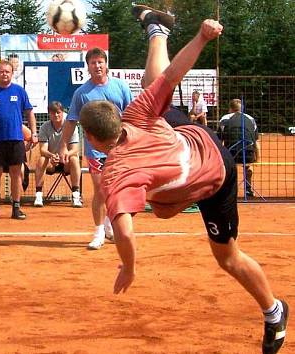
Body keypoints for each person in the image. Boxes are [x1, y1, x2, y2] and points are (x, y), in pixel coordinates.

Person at [79, 7, 287, 353]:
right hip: (194, 137)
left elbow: (126, 233)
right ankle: (156, 28)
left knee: (228, 258)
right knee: (153, 87)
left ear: (92, 138)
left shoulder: (116, 174)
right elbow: (174, 74)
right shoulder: (136, 113)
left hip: (216, 177)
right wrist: (203, 36)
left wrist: (129, 269)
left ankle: (275, 310)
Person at [60, 46, 133, 250]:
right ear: (88, 67)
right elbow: (71, 121)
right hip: (96, 150)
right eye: (93, 63)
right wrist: (63, 145)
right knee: (100, 190)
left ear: (106, 64)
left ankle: (110, 226)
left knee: (118, 190)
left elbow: (131, 115)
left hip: (120, 148)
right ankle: (99, 231)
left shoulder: (121, 87)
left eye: (100, 62)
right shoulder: (81, 93)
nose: (97, 65)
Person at [0, 59, 38, 220]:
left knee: (16, 174)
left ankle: (16, 207)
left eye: (7, 71)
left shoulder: (19, 91)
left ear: (12, 73)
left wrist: (34, 132)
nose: (4, 74)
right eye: (1, 71)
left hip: (16, 139)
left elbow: (29, 112)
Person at [33, 101, 82, 208]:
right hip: (51, 162)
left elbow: (75, 149)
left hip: (67, 162)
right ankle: (38, 195)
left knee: (74, 159)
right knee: (41, 159)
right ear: (49, 114)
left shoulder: (71, 127)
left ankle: (76, 195)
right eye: (52, 113)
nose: (56, 115)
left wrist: (64, 156)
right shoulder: (44, 127)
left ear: (62, 112)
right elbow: (43, 150)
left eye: (58, 112)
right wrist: (52, 156)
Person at [218, 98, 259, 197]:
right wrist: (257, 158)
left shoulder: (224, 119)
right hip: (248, 153)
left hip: (232, 154)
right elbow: (256, 143)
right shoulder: (251, 119)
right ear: (242, 108)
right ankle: (248, 189)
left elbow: (220, 142)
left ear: (230, 109)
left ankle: (228, 190)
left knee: (227, 167)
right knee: (249, 165)